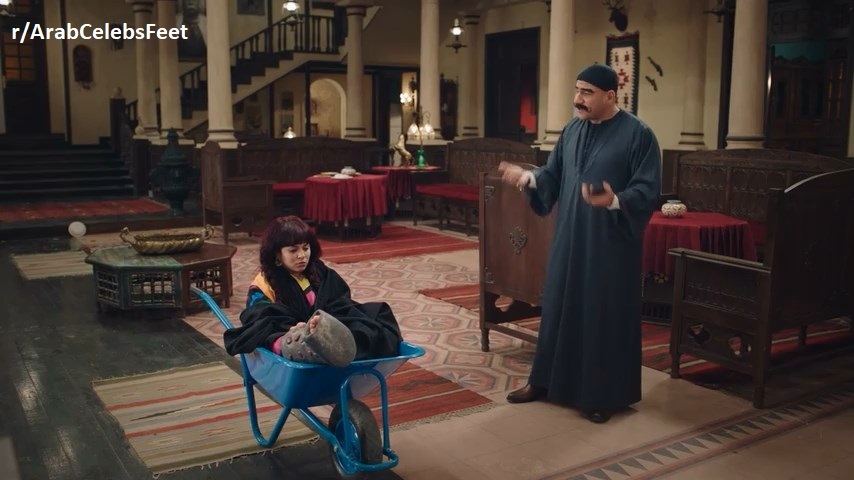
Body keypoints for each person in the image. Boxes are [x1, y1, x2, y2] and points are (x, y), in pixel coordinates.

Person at [498, 64, 661, 424]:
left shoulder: (639, 135)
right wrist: (528, 177)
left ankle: (602, 395)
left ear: (610, 96)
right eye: (577, 90)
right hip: (569, 238)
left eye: (587, 92)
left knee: (600, 314)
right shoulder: (572, 130)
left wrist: (615, 200)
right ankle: (543, 381)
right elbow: (553, 175)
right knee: (558, 305)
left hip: (610, 246)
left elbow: (648, 189)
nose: (578, 99)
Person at [223, 216, 402, 365]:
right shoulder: (262, 284)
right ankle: (299, 346)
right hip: (289, 330)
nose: (302, 255)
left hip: (327, 327)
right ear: (277, 254)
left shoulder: (317, 270)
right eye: (293, 250)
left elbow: (340, 302)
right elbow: (259, 318)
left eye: (305, 248)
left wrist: (324, 322)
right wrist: (293, 328)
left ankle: (333, 349)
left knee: (376, 315)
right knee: (266, 334)